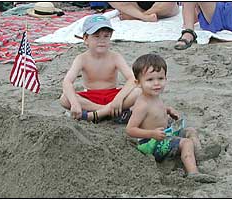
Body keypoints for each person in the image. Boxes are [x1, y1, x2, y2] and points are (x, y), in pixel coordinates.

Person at [126, 54, 217, 183]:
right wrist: (152, 133)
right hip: (151, 143)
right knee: (186, 142)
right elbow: (130, 130)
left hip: (163, 134)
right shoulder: (142, 105)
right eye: (150, 80)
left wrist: (167, 110)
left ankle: (199, 153)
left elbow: (156, 108)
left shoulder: (153, 95)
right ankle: (193, 172)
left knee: (190, 130)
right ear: (138, 83)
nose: (156, 83)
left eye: (160, 78)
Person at [60, 14, 140, 124]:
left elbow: (133, 79)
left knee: (139, 92)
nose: (101, 40)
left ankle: (95, 115)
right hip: (91, 97)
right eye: (96, 36)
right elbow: (67, 82)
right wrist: (74, 103)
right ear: (86, 38)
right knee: (64, 98)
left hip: (113, 95)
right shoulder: (82, 58)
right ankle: (108, 112)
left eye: (106, 36)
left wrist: (118, 99)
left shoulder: (115, 57)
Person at [108, 2, 179, 22]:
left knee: (169, 3)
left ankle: (135, 16)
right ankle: (144, 16)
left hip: (160, 6)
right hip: (138, 6)